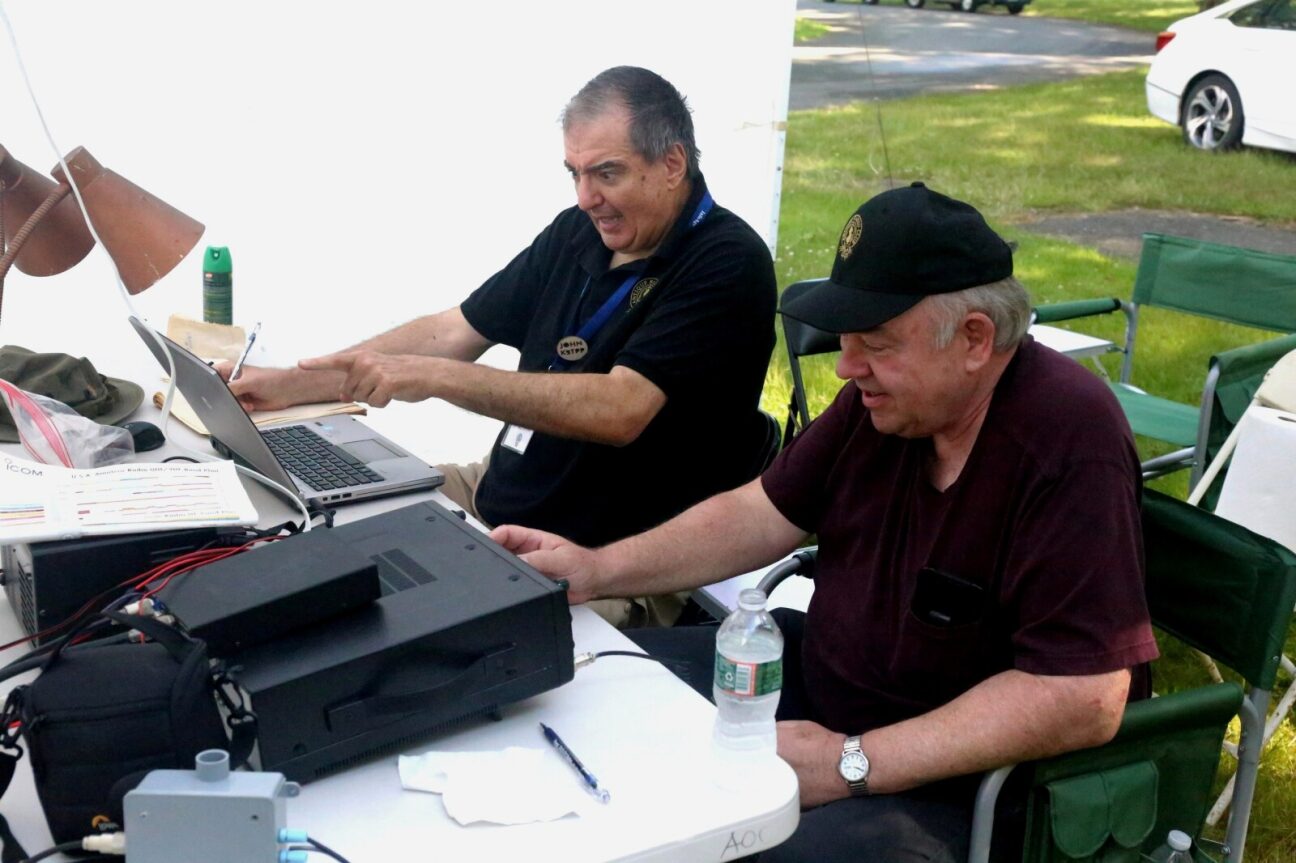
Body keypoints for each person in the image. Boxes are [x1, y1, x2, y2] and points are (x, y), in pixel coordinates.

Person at [490, 183, 1159, 861]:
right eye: (846, 340)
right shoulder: (890, 405)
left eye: (876, 343)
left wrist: (850, 762)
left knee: (739, 847)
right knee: (596, 692)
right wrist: (596, 567)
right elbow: (758, 513)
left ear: (974, 339)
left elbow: (1084, 695)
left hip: (967, 787)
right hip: (818, 690)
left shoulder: (1069, 437)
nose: (846, 367)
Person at [224, 66, 777, 628]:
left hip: (601, 562)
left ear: (672, 164)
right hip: (491, 499)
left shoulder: (726, 261)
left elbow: (621, 410)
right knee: (285, 529)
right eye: (575, 173)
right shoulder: (578, 231)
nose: (587, 198)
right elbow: (452, 332)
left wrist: (439, 379)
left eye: (606, 173)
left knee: (371, 625)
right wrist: (289, 385)